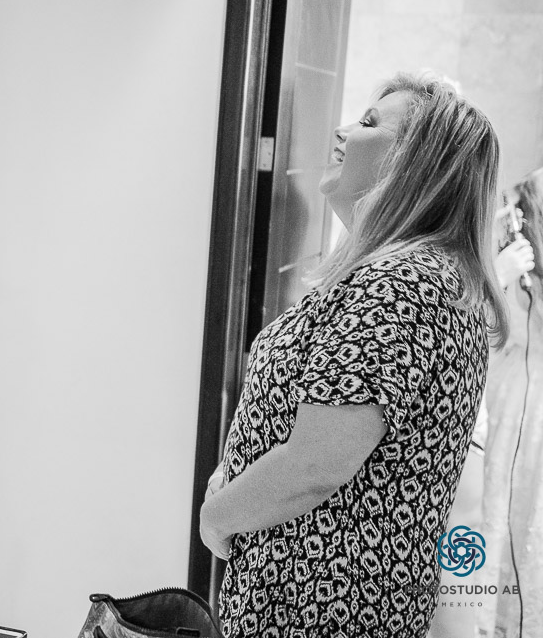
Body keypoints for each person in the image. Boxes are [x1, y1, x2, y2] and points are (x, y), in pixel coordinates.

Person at [200, 72, 509, 637]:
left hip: (323, 612)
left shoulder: (401, 285)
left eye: (368, 123)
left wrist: (216, 518)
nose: (342, 132)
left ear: (416, 164)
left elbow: (315, 466)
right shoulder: (411, 276)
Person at [477, 170, 543, 638]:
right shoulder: (501, 256)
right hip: (502, 404)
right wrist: (500, 274)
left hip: (533, 415)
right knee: (492, 511)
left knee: (528, 518)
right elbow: (470, 322)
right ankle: (485, 621)